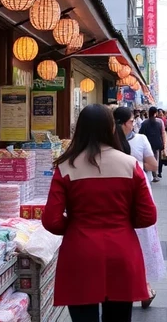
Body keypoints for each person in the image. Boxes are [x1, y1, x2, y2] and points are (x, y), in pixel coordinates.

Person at [43, 104, 157, 322]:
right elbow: (148, 216)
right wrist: (124, 222)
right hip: (122, 249)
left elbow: (51, 220)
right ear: (110, 128)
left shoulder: (66, 166)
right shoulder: (130, 164)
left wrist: (75, 226)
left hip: (80, 251)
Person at [114, 107, 165, 309]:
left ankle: (139, 287)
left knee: (127, 241)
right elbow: (153, 165)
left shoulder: (108, 144)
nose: (133, 124)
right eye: (131, 121)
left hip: (121, 198)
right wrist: (137, 165)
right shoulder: (139, 140)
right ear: (123, 123)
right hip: (136, 194)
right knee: (140, 240)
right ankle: (144, 287)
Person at [139, 107, 166, 182]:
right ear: (155, 113)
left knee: (146, 159)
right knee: (155, 159)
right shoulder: (158, 123)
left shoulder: (144, 123)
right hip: (156, 144)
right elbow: (161, 134)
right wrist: (163, 144)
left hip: (147, 144)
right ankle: (155, 175)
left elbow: (140, 133)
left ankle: (146, 173)